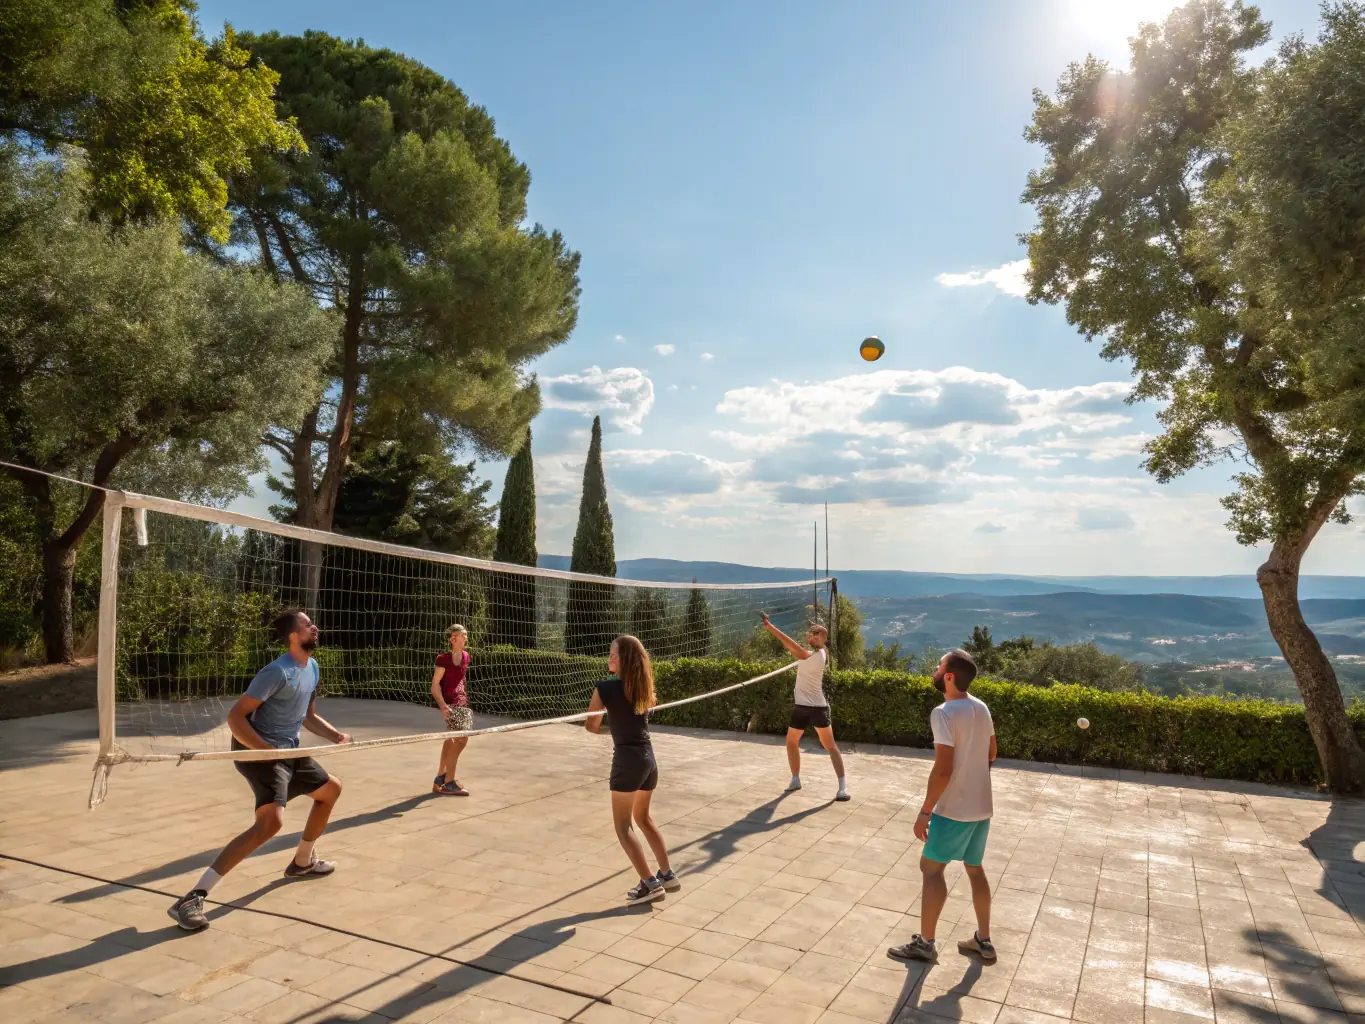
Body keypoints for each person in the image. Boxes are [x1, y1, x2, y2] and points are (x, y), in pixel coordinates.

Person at [168, 610, 351, 932]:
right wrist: (264, 750)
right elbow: (236, 717)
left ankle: (302, 862)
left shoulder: (313, 667)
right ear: (294, 635)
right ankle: (192, 898)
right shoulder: (275, 672)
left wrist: (335, 735)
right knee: (271, 823)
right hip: (259, 751)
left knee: (330, 790)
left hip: (288, 749)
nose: (315, 628)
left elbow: (307, 715)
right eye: (308, 625)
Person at [887, 648, 996, 964]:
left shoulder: (944, 713)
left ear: (949, 676)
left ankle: (925, 943)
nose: (935, 670)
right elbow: (991, 752)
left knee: (931, 868)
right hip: (981, 807)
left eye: (939, 667)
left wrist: (925, 811)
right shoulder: (982, 708)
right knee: (974, 869)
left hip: (954, 810)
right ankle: (984, 942)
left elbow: (944, 768)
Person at [583, 635, 678, 906]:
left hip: (627, 760)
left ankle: (650, 883)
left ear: (623, 660)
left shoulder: (605, 688)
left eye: (613, 654)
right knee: (644, 819)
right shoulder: (643, 686)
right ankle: (667, 874)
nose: (609, 658)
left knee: (624, 827)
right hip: (649, 760)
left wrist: (609, 724)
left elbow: (591, 726)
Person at [760, 612, 849, 801]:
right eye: (809, 635)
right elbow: (819, 633)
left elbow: (790, 643)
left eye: (813, 636)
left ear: (821, 639)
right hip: (801, 707)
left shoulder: (816, 654)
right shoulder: (818, 652)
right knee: (791, 741)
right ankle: (795, 779)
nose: (810, 637)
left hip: (817, 707)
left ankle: (842, 787)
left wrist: (770, 627)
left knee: (830, 746)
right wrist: (813, 627)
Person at [431, 623, 473, 796]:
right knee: (461, 739)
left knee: (452, 739)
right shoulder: (443, 659)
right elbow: (434, 686)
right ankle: (449, 781)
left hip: (462, 703)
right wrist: (443, 706)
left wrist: (464, 700)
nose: (465, 638)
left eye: (465, 635)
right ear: (452, 638)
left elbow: (461, 681)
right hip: (449, 704)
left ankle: (440, 777)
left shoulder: (466, 657)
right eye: (461, 635)